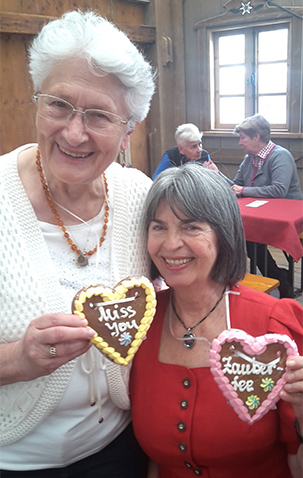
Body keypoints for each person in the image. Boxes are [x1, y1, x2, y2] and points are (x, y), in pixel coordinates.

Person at [0, 10, 155, 477]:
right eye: (59, 105)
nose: (73, 132)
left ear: (129, 130)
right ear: (36, 101)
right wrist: (17, 360)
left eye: (100, 116)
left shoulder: (141, 197)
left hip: (121, 449)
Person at [130, 163, 303, 478]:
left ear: (224, 234)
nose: (170, 244)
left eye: (191, 227)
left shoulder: (275, 324)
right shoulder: (141, 322)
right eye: (158, 227)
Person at [210, 114, 303, 298]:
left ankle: (279, 279)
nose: (239, 143)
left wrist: (243, 190)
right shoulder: (249, 158)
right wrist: (217, 174)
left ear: (256, 137)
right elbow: (236, 186)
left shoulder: (280, 156)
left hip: (287, 215)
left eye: (242, 137)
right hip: (261, 212)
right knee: (246, 238)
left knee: (249, 240)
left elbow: (278, 190)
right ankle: (279, 278)